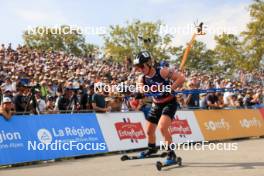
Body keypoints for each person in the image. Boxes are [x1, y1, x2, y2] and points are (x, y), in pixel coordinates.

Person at [133, 51, 185, 164]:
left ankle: (171, 154)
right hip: (157, 104)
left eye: (142, 66)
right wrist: (141, 93)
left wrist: (171, 88)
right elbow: (142, 90)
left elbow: (181, 78)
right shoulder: (142, 78)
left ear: (149, 63)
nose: (140, 69)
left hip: (169, 103)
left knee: (162, 128)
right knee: (149, 131)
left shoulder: (162, 71)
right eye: (138, 67)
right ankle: (151, 149)